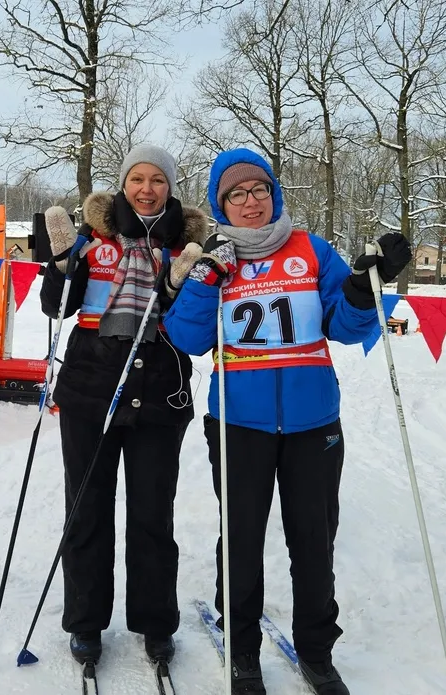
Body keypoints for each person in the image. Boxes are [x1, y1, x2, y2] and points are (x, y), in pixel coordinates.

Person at [163, 148, 411, 695]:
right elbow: (186, 338)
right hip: (238, 426)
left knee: (314, 542)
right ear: (220, 203)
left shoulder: (311, 249)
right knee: (243, 542)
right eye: (236, 194)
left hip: (312, 423)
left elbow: (346, 327)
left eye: (259, 190)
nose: (250, 202)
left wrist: (361, 289)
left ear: (273, 194)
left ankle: (317, 651)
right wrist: (205, 280)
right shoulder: (213, 256)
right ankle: (244, 652)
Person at [40, 143, 209, 665]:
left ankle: (156, 622)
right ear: (123, 184)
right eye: (137, 178)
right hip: (91, 389)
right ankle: (86, 621)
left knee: (152, 515)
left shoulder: (185, 244)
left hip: (159, 392)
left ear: (170, 187)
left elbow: (190, 321)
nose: (146, 189)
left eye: (157, 180)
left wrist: (181, 285)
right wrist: (63, 264)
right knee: (86, 509)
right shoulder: (94, 237)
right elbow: (57, 307)